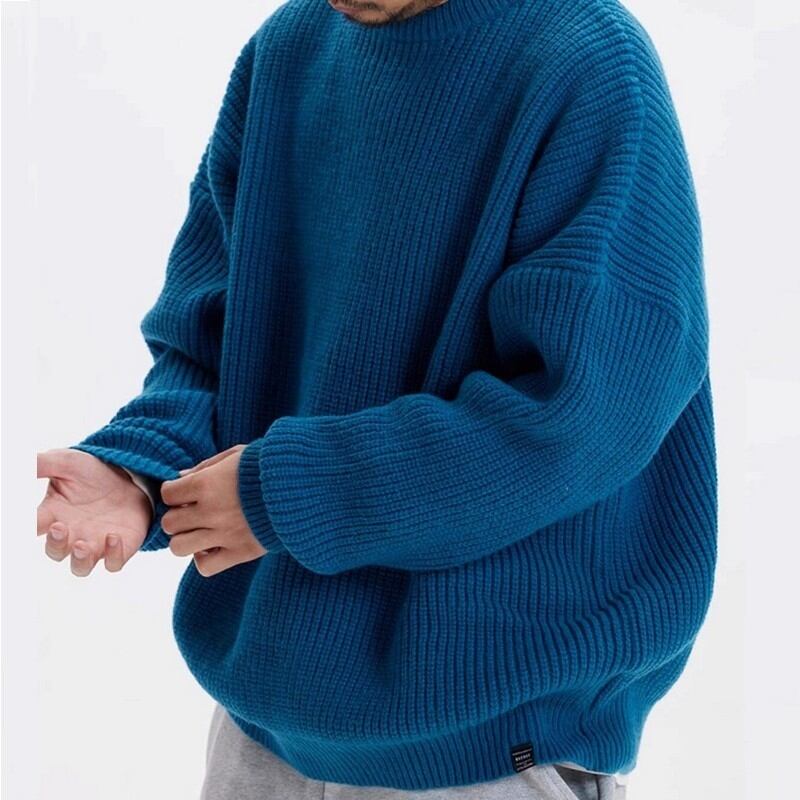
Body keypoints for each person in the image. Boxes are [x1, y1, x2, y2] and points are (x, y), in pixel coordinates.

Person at [36, 0, 717, 797]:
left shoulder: (586, 62)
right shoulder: (289, 50)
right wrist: (143, 470)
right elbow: (212, 339)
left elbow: (583, 413)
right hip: (264, 733)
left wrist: (291, 494)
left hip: (488, 751)